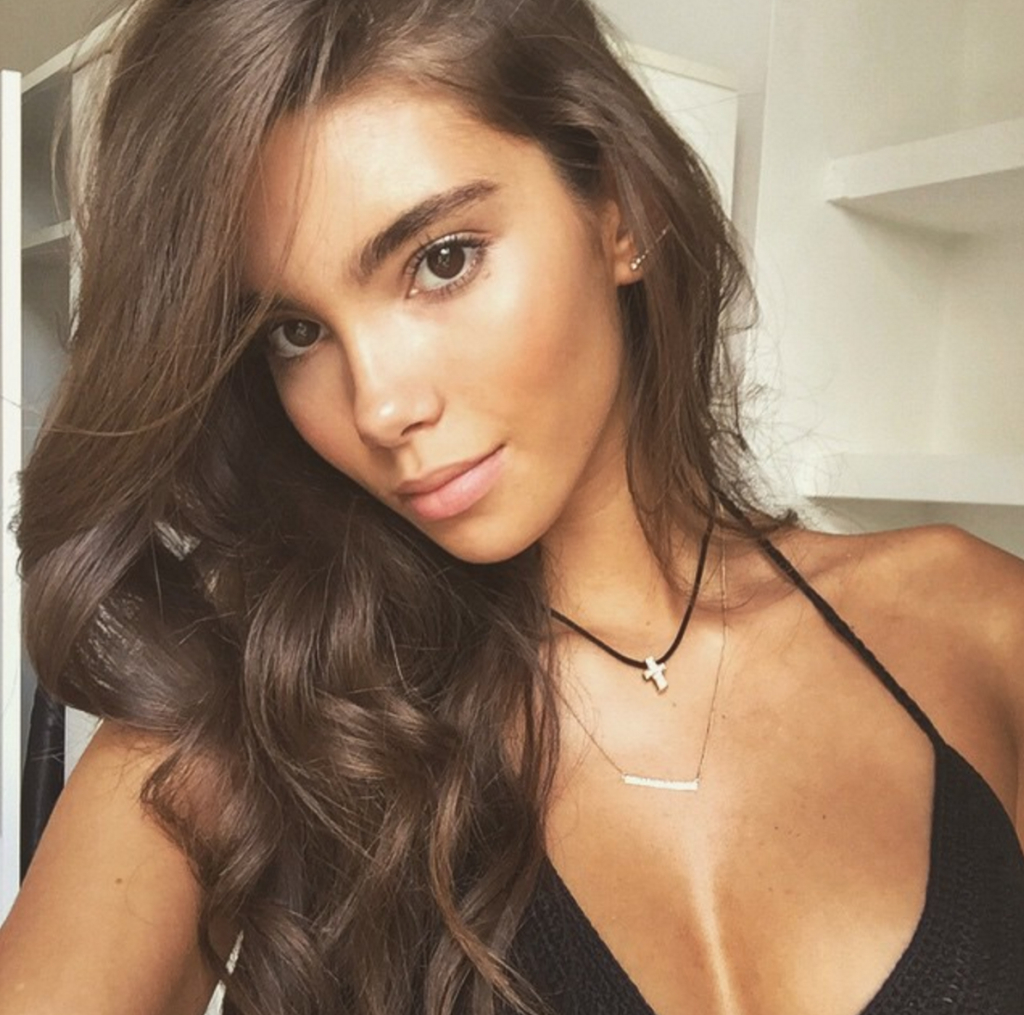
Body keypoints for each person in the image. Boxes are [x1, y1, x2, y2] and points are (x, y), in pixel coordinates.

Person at [1, 0, 1022, 1012]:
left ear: (618, 210)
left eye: (441, 260)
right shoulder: (253, 713)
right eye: (295, 332)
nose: (381, 406)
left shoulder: (974, 624)